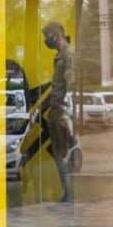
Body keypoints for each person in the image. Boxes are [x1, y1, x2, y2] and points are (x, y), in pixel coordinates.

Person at [42, 22, 76, 203]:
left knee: (64, 153)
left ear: (55, 35)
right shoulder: (60, 56)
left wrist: (65, 113)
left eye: (47, 36)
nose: (46, 40)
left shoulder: (68, 55)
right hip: (56, 111)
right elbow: (57, 87)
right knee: (59, 152)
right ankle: (67, 192)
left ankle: (70, 194)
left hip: (62, 111)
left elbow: (70, 85)